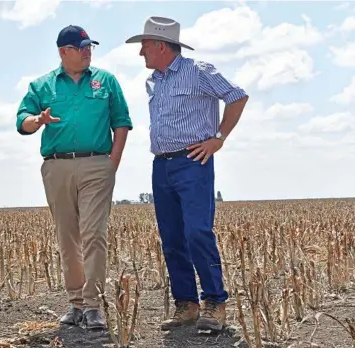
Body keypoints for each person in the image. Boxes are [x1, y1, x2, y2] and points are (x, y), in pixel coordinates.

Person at [124, 16, 249, 332]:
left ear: (161, 46)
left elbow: (237, 96)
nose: (141, 54)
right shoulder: (155, 80)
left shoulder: (199, 71)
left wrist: (218, 139)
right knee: (172, 238)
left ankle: (214, 303)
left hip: (193, 163)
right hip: (161, 165)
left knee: (197, 232)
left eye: (145, 47)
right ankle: (187, 305)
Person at [16, 24, 133, 330]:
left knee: (94, 233)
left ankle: (94, 305)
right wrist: (37, 120)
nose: (87, 52)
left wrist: (112, 163)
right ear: (63, 52)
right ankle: (76, 304)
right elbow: (22, 122)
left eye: (89, 47)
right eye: (81, 48)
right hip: (57, 166)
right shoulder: (42, 86)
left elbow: (122, 122)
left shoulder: (106, 81)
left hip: (97, 164)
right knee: (68, 237)